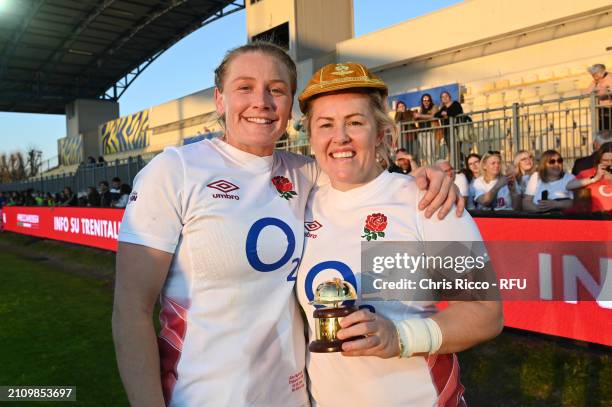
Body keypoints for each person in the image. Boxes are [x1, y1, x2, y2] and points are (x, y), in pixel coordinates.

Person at [112, 43, 462, 407]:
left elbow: (364, 175)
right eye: (244, 87)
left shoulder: (307, 172)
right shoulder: (175, 171)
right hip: (202, 396)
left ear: (290, 108)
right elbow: (131, 309)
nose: (261, 101)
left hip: (292, 398)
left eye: (276, 90)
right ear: (220, 100)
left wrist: (425, 177)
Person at [296, 62, 502, 406]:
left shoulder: (427, 199)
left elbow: (486, 313)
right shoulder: (301, 203)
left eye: (355, 122)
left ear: (380, 133)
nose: (340, 137)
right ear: (311, 136)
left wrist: (400, 337)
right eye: (326, 124)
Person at [566, 142, 612, 213]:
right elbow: (569, 186)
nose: (609, 164)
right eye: (605, 160)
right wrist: (594, 178)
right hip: (596, 218)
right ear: (599, 160)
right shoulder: (589, 173)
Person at [413, 93, 439, 164]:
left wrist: (420, 115)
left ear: (430, 100)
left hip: (431, 132)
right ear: (422, 101)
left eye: (428, 100)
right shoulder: (421, 109)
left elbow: (433, 116)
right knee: (426, 153)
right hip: (421, 133)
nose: (426, 101)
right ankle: (430, 167)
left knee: (431, 152)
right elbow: (419, 118)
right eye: (424, 100)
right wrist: (416, 117)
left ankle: (433, 167)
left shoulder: (434, 107)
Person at [586, 64, 612, 131]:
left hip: (608, 109)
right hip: (600, 110)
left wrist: (606, 91)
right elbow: (587, 92)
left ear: (602, 72)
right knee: (602, 131)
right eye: (593, 75)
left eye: (595, 74)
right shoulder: (596, 81)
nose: (594, 76)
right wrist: (595, 83)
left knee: (608, 131)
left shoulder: (610, 77)